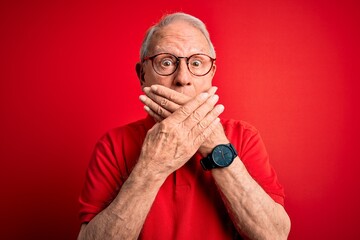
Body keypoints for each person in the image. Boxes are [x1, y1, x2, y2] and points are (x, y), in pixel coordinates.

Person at [77, 12, 291, 240]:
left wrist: (215, 145)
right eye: (166, 62)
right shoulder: (113, 145)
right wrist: (151, 166)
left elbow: (274, 236)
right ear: (142, 75)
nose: (183, 78)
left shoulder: (244, 137)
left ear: (212, 74)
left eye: (197, 62)